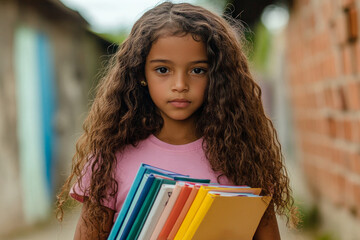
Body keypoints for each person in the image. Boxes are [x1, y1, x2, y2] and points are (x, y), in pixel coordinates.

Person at [56, 2, 297, 239]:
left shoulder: (243, 157)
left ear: (218, 76)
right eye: (163, 70)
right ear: (141, 73)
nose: (180, 85)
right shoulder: (109, 160)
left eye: (197, 70)